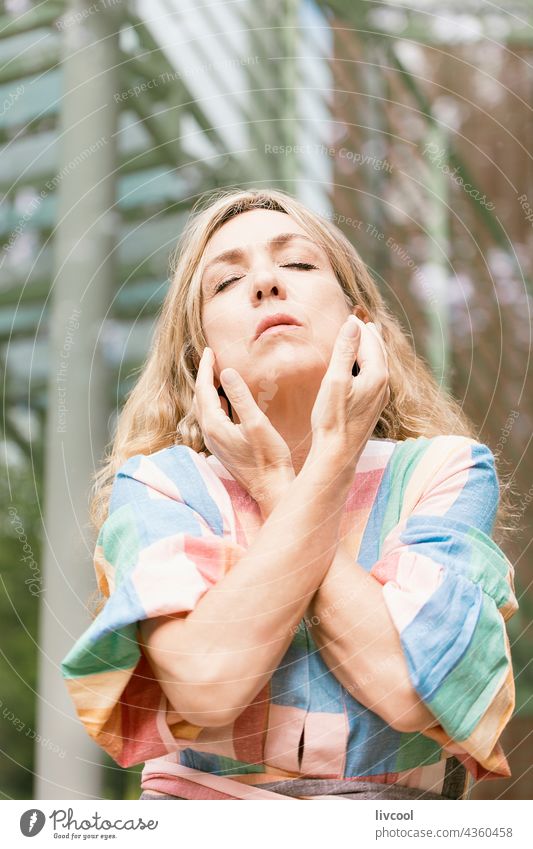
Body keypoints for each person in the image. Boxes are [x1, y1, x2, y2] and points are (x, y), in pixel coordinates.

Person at [61, 188, 518, 801]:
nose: (266, 284)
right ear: (199, 355)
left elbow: (409, 689)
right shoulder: (160, 485)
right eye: (226, 281)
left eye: (298, 264)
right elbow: (207, 683)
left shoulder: (445, 470)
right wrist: (319, 475)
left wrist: (286, 483)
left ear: (366, 326)